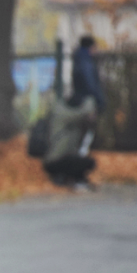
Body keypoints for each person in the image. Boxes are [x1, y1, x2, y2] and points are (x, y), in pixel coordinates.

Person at [43, 35, 104, 188]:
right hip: (85, 100)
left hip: (82, 101)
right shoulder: (85, 62)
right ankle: (67, 176)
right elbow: (90, 85)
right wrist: (94, 102)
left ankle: (73, 178)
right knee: (84, 159)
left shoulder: (78, 59)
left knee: (80, 151)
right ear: (91, 47)